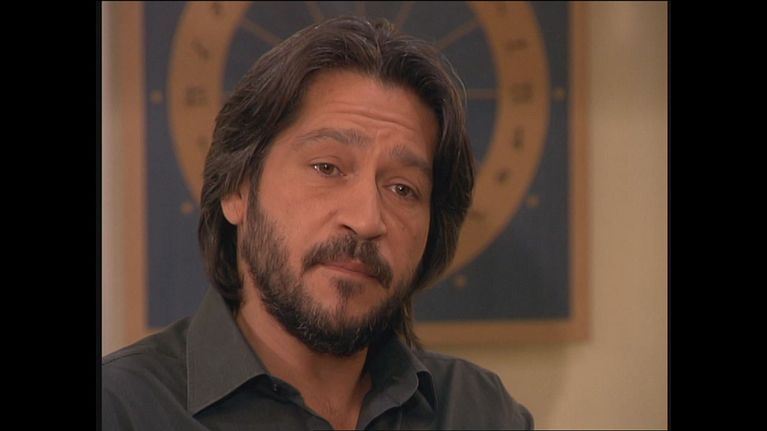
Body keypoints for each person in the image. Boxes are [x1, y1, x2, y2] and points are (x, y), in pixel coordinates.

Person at [102, 16, 533, 430]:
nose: (366, 220)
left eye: (403, 189)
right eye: (327, 168)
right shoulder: (124, 408)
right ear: (236, 190)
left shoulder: (477, 410)